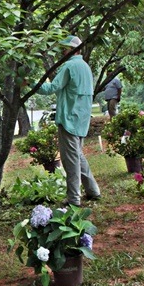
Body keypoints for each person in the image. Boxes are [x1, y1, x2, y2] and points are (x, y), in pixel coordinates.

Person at [29, 35, 100, 206]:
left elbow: (52, 88)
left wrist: (30, 83)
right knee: (78, 156)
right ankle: (93, 190)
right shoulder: (85, 67)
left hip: (69, 119)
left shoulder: (69, 66)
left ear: (74, 49)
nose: (62, 51)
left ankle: (74, 198)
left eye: (65, 48)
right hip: (81, 119)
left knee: (71, 161)